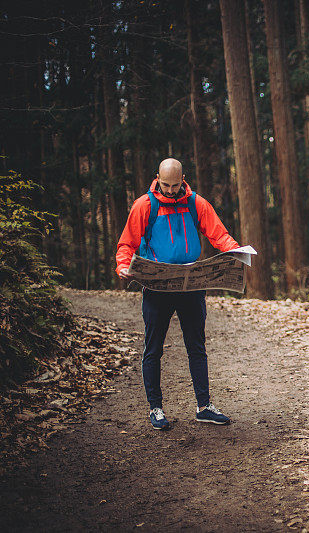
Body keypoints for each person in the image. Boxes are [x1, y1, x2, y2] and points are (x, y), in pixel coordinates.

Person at [116, 158, 237, 430]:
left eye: (175, 185)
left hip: (191, 285)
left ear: (184, 179)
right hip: (157, 288)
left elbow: (219, 235)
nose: (170, 190)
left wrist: (235, 250)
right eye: (165, 185)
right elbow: (126, 243)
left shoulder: (196, 203)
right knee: (153, 348)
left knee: (196, 346)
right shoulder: (144, 206)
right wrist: (123, 266)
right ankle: (155, 408)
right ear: (157, 178)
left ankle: (204, 407)